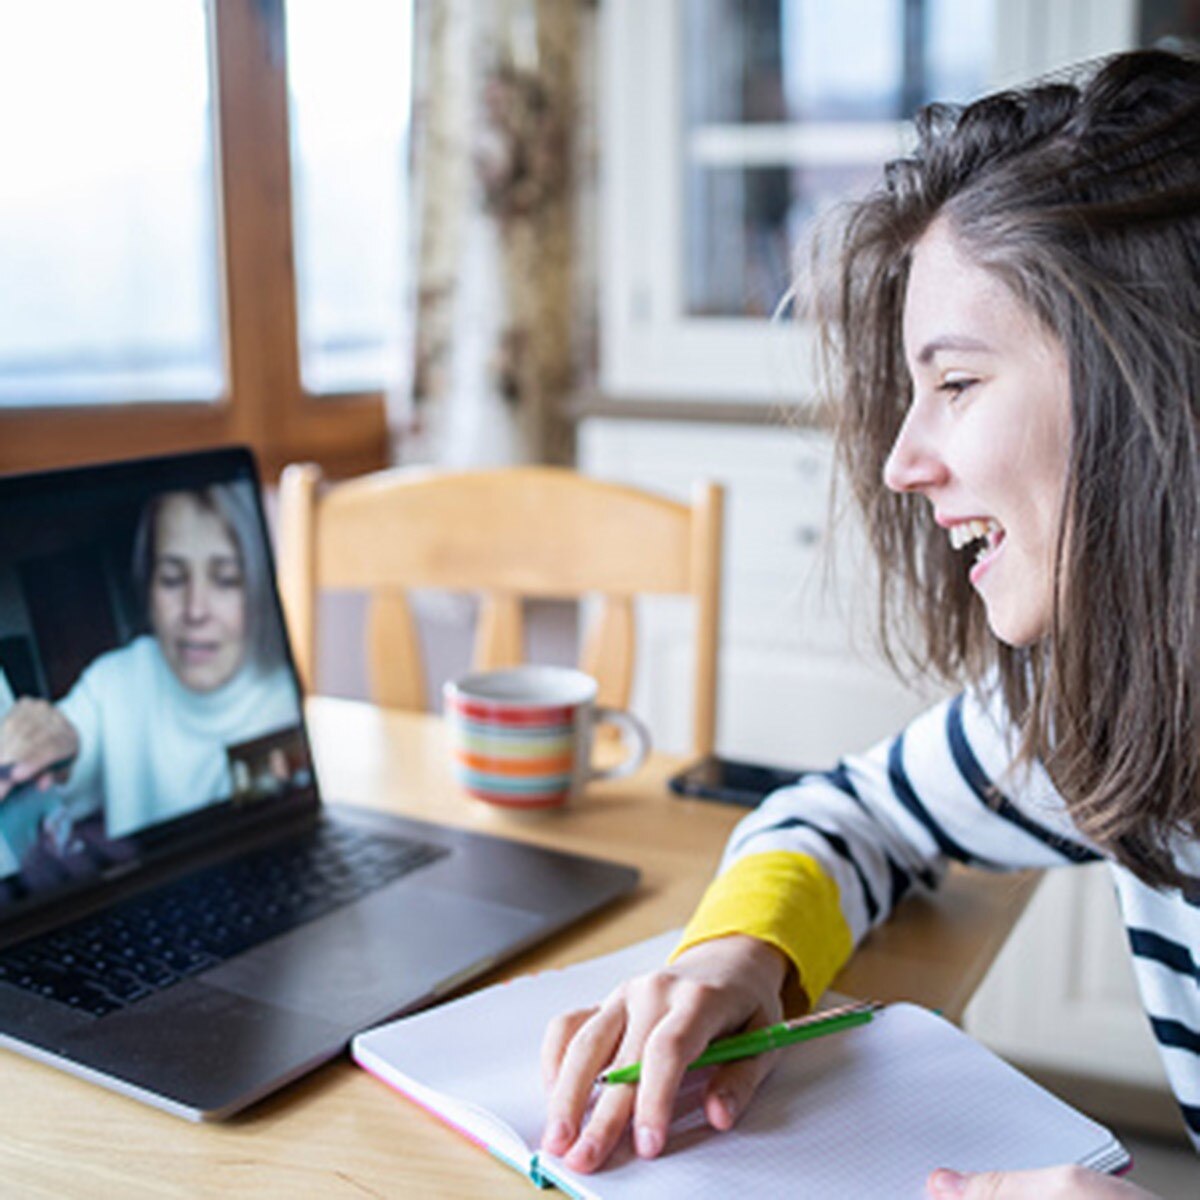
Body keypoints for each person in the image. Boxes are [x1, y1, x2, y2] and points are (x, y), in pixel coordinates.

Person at [539, 49, 1200, 1198]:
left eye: (958, 384)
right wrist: (740, 956)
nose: (902, 461)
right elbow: (857, 811)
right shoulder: (1095, 707)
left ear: (1151, 376)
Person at [0, 484, 300, 841]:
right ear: (148, 588)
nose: (195, 611)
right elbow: (69, 739)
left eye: (226, 580)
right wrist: (49, 738)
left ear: (258, 588)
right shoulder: (113, 681)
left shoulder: (292, 695)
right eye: (172, 579)